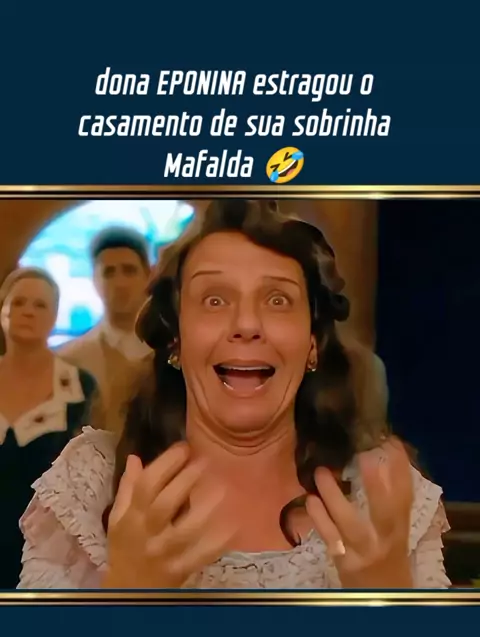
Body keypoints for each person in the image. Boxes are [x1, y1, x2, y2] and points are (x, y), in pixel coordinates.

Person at [17, 201, 449, 590]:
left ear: (313, 343)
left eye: (277, 300)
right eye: (214, 300)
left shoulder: (384, 500)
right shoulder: (91, 485)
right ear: (176, 341)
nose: (246, 324)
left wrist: (389, 605)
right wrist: (125, 594)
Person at [0, 267, 97, 588]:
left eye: (39, 305)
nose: (28, 311)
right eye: (19, 302)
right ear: (2, 310)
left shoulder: (81, 389)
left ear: (54, 315)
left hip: (51, 563)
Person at [59, 226, 152, 433]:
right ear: (94, 280)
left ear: (148, 276)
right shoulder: (70, 360)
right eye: (109, 272)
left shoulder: (177, 350)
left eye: (129, 270)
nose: (120, 283)